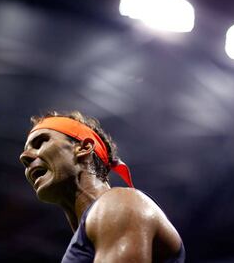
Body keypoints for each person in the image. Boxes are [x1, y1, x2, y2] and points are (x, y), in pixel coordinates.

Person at [19, 111, 185, 262]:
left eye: (40, 142)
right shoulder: (96, 229)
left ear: (83, 148)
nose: (24, 157)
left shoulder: (120, 203)